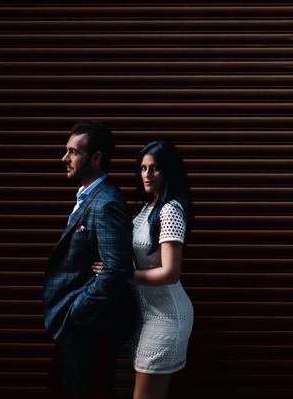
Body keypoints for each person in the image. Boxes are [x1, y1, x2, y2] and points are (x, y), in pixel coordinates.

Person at [95, 140, 194, 399]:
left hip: (167, 317)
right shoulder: (148, 208)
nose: (147, 174)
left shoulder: (170, 210)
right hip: (147, 315)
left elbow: (170, 273)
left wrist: (121, 275)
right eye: (143, 168)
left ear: (169, 170)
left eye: (155, 168)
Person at [43, 121, 135, 398]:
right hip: (80, 325)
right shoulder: (89, 196)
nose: (65, 158)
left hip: (92, 326)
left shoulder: (106, 203)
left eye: (73, 152)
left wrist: (78, 312)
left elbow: (115, 269)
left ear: (96, 158)